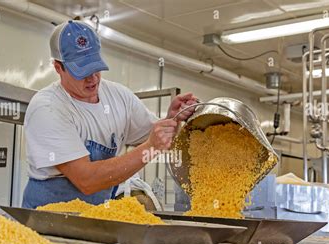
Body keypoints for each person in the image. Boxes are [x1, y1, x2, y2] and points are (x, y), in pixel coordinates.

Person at [22, 20, 198, 208]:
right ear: (58, 67)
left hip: (95, 215)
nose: (92, 78)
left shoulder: (119, 97)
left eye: (95, 67)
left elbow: (155, 137)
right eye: (81, 71)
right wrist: (151, 148)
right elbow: (87, 181)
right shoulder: (47, 108)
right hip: (48, 218)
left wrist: (172, 120)